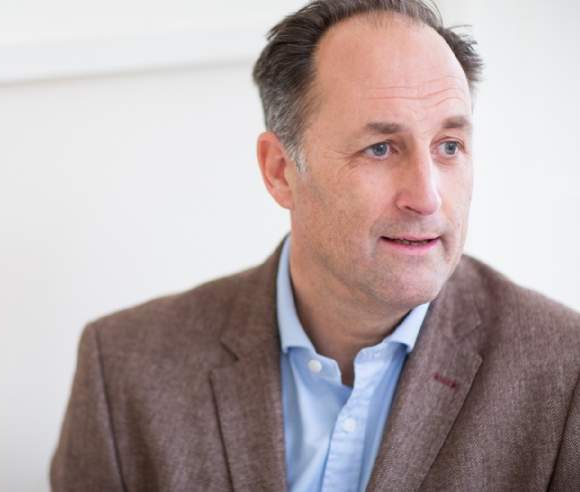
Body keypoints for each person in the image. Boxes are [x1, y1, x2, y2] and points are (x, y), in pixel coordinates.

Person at [50, 1, 580, 490]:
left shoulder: (564, 371)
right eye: (380, 148)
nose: (426, 198)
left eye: (449, 146)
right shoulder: (124, 369)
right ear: (280, 170)